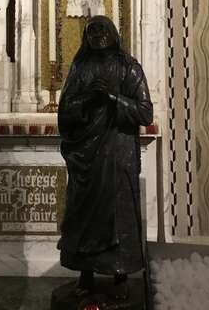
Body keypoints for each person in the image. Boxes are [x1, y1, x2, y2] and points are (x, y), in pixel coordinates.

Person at [57, 15, 153, 300]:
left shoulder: (128, 68)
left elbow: (145, 112)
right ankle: (85, 275)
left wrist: (113, 98)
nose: (98, 35)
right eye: (92, 31)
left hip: (117, 154)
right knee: (82, 212)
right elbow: (65, 111)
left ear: (113, 33)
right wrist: (88, 100)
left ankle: (120, 274)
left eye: (103, 30)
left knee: (118, 213)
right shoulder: (80, 69)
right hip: (85, 156)